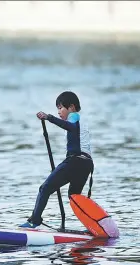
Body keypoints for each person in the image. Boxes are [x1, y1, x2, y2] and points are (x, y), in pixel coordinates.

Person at [19, 91, 94, 228]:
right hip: (86, 164)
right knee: (74, 197)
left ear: (71, 107)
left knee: (45, 188)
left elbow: (70, 127)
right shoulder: (82, 121)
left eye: (60, 108)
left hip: (75, 162)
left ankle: (34, 221)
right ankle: (93, 224)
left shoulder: (73, 116)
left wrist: (49, 117)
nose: (59, 111)